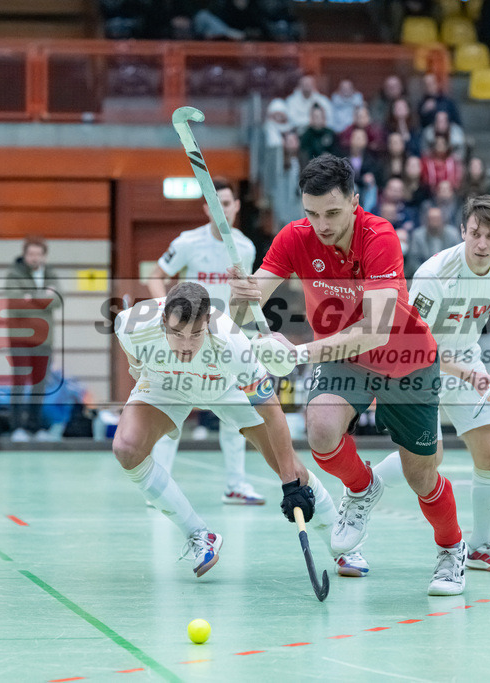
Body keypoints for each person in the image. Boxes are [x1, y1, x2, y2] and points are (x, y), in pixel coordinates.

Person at [226, 153, 468, 595]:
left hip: (405, 359)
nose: (320, 224)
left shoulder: (380, 237)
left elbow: (374, 332)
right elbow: (246, 309)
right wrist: (240, 295)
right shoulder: (295, 237)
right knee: (319, 429)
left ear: (355, 201)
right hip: (343, 359)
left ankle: (452, 549)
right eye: (311, 213)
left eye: (332, 212)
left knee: (422, 477)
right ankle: (362, 489)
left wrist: (299, 352)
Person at [112, 282, 339, 576]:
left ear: (208, 323)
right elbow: (123, 335)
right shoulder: (135, 324)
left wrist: (289, 485)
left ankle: (341, 546)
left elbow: (271, 413)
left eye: (196, 334)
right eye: (177, 334)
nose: (186, 345)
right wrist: (136, 363)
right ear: (162, 322)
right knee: (127, 450)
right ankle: (199, 535)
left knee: (292, 469)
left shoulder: (232, 343)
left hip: (227, 388)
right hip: (165, 384)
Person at [392, 195, 490, 572]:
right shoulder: (434, 274)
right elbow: (414, 345)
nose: (482, 244)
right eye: (475, 234)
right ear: (462, 231)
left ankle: (481, 546)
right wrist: (469, 373)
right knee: (427, 461)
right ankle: (362, 489)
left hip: (464, 354)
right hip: (419, 363)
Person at [145, 177, 265, 504]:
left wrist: (239, 331)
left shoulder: (245, 248)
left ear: (236, 207)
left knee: (235, 415)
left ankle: (236, 485)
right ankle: (159, 489)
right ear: (206, 209)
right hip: (187, 340)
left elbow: (242, 298)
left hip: (225, 342)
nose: (221, 210)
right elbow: (155, 279)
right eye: (214, 204)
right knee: (173, 413)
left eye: (226, 204)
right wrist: (167, 316)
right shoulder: (187, 242)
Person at [4, 236, 61, 442]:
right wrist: (43, 296)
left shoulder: (51, 274)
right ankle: (17, 427)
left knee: (40, 384)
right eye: (31, 254)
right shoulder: (14, 274)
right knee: (19, 382)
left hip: (44, 339)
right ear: (25, 254)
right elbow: (16, 304)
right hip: (20, 338)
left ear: (44, 256)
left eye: (38, 254)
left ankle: (35, 428)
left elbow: (57, 301)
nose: (34, 258)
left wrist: (31, 296)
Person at [404, 205, 461, 277]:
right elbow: (413, 260)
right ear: (426, 220)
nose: (434, 222)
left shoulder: (453, 234)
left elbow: (458, 256)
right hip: (424, 275)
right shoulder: (417, 235)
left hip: (448, 274)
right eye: (432, 219)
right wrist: (424, 273)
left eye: (437, 219)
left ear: (443, 220)